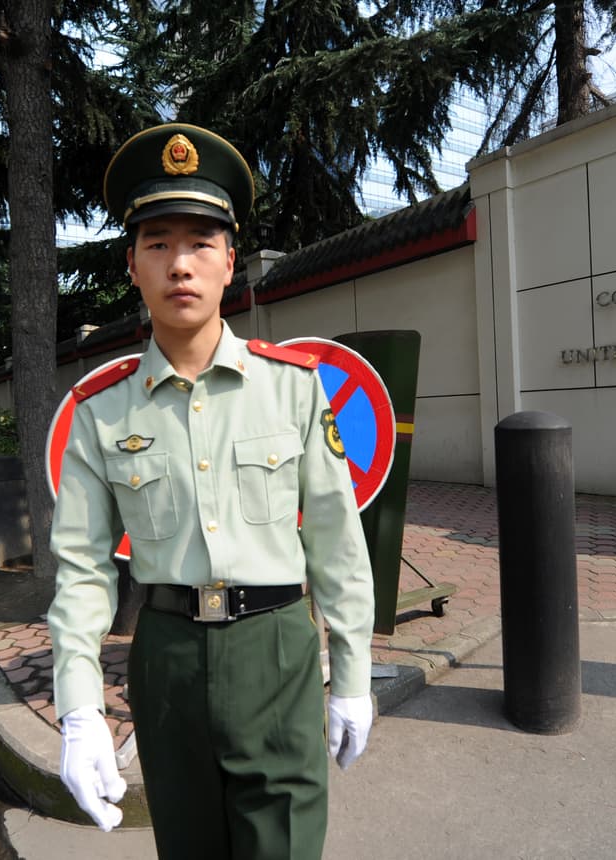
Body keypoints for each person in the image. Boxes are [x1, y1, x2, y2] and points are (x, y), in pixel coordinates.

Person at [48, 123, 376, 858]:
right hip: (165, 660)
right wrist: (78, 708)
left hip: (278, 653)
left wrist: (352, 671)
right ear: (132, 264)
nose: (180, 265)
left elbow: (335, 540)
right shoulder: (102, 413)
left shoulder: (293, 391)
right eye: (158, 243)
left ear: (232, 262)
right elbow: (81, 571)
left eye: (200, 242)